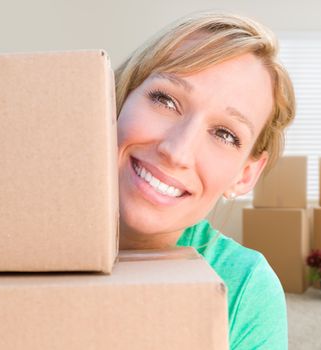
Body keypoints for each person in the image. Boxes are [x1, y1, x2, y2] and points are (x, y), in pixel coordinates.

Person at [115, 10, 294, 349]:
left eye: (225, 134)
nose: (177, 151)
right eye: (165, 100)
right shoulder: (12, 228)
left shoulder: (244, 288)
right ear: (116, 99)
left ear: (245, 175)